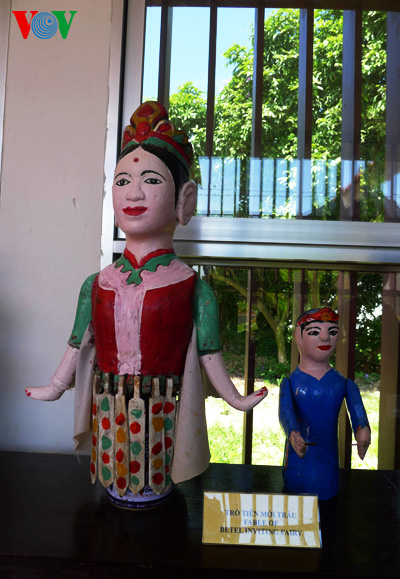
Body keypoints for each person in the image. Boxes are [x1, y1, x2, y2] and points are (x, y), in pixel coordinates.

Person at [26, 101, 267, 508]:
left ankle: (155, 490)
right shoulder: (97, 284)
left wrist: (235, 398)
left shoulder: (192, 287)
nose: (134, 193)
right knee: (116, 464)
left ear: (184, 200)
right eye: (123, 180)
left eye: (151, 179)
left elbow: (209, 356)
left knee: (157, 466)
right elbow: (78, 344)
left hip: (164, 406)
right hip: (109, 402)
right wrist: (56, 385)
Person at [279, 307, 370, 501]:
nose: (325, 338)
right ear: (298, 336)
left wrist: (362, 429)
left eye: (332, 332)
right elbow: (285, 412)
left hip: (328, 462)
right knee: (297, 493)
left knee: (328, 495)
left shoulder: (342, 383)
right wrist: (293, 433)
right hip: (298, 458)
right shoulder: (290, 383)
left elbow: (357, 412)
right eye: (314, 332)